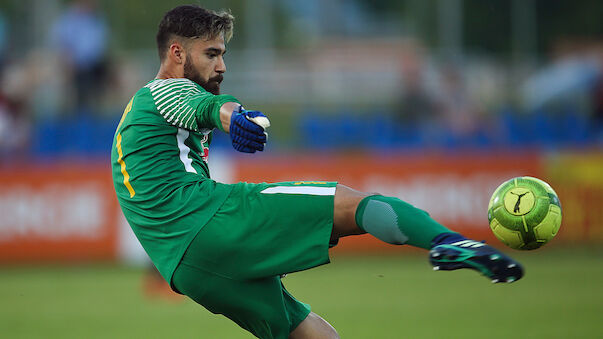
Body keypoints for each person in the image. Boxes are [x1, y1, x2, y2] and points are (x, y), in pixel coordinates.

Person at [111, 5, 524, 339]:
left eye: (224, 55)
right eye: (212, 54)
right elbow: (204, 105)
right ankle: (449, 243)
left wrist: (227, 114)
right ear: (177, 53)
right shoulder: (165, 90)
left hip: (187, 271)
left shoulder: (140, 112)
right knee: (350, 203)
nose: (221, 66)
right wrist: (234, 115)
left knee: (306, 333)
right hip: (208, 222)